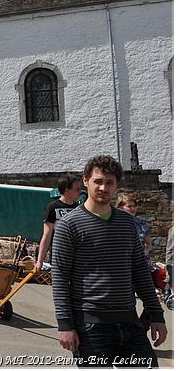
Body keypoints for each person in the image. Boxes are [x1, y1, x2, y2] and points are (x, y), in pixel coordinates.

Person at [52, 155, 166, 367]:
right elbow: (60, 278)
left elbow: (140, 271)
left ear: (116, 186)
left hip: (131, 324)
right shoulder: (69, 225)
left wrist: (156, 315)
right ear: (86, 181)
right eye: (98, 181)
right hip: (91, 328)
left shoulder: (127, 223)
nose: (103, 188)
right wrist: (65, 325)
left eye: (109, 182)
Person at [35, 173, 81, 272]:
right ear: (66, 190)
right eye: (76, 189)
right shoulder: (53, 207)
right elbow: (47, 236)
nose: (79, 192)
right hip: (59, 257)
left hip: (78, 259)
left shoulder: (79, 209)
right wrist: (40, 261)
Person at [115, 193, 153, 258]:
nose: (133, 209)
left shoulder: (141, 224)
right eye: (129, 206)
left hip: (138, 263)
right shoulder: (113, 224)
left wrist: (143, 255)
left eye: (134, 206)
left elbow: (148, 244)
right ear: (120, 207)